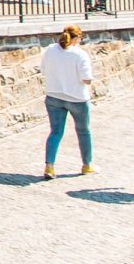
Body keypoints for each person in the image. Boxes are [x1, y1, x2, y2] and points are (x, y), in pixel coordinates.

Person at [39, 25, 94, 179]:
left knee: (55, 132)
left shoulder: (50, 50)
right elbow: (86, 79)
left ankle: (49, 166)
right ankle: (87, 164)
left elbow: (43, 70)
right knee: (84, 131)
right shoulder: (80, 54)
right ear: (77, 38)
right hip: (77, 98)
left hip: (54, 95)